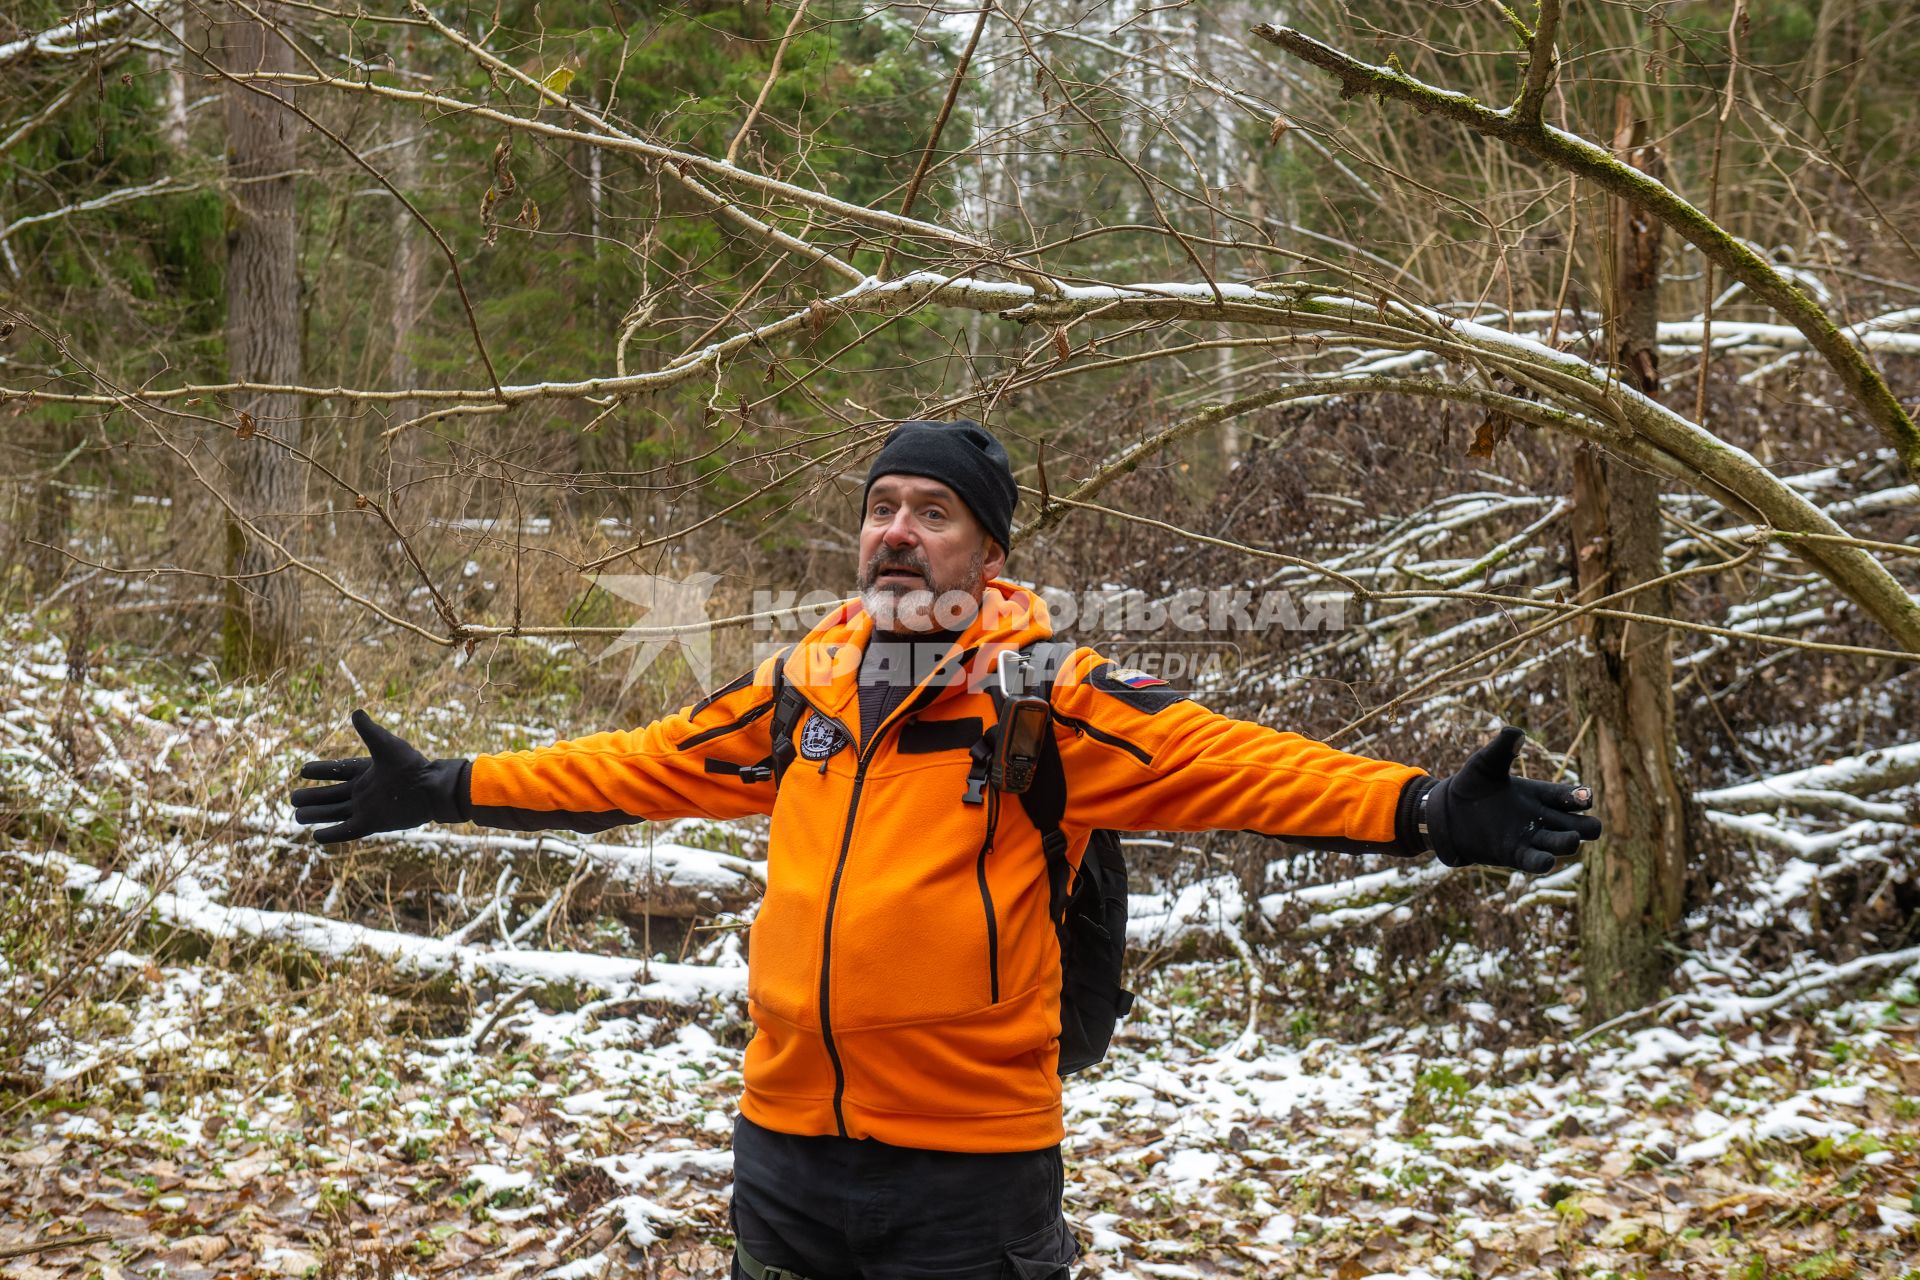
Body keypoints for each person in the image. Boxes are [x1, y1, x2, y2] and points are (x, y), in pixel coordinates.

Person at [291, 420, 1602, 1280]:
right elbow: (640, 765)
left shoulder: (1043, 696)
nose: (897, 530)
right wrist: (448, 786)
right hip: (785, 1150)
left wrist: (1425, 809)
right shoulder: (801, 690)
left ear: (989, 550)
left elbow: (1230, 760)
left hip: (970, 1172)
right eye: (881, 507)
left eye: (933, 512)